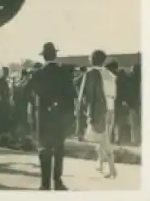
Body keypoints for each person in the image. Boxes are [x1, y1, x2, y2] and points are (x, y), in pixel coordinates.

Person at [28, 42, 76, 190]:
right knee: (59, 149)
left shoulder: (37, 73)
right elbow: (71, 95)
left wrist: (41, 105)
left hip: (43, 117)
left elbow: (28, 93)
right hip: (60, 116)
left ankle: (45, 183)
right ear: (55, 55)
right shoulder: (65, 73)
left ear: (43, 57)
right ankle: (58, 180)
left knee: (44, 149)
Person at [77, 50, 118, 178]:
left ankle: (112, 168)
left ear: (92, 59)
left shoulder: (90, 73)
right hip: (110, 108)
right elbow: (114, 94)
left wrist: (82, 109)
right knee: (103, 137)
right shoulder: (109, 74)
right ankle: (100, 163)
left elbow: (84, 94)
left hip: (98, 110)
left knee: (103, 139)